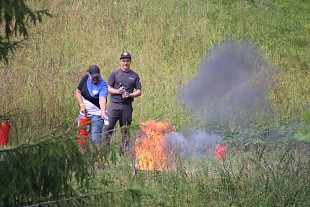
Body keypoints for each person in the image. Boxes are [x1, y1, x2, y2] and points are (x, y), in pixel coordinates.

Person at [104, 52, 142, 156]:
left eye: (127, 61)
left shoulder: (134, 76)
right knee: (107, 129)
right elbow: (107, 88)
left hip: (127, 106)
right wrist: (118, 92)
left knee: (125, 131)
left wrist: (130, 95)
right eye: (123, 61)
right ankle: (105, 154)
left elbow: (139, 91)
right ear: (120, 62)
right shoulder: (115, 74)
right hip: (114, 105)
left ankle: (123, 155)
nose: (125, 63)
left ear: (130, 62)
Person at [75, 64, 108, 149]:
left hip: (97, 115)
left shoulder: (103, 84)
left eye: (97, 77)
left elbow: (102, 99)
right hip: (84, 114)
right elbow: (78, 92)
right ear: (89, 75)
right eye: (93, 77)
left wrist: (103, 112)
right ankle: (86, 159)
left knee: (95, 139)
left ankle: (99, 161)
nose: (95, 79)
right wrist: (82, 105)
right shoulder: (85, 79)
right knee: (82, 138)